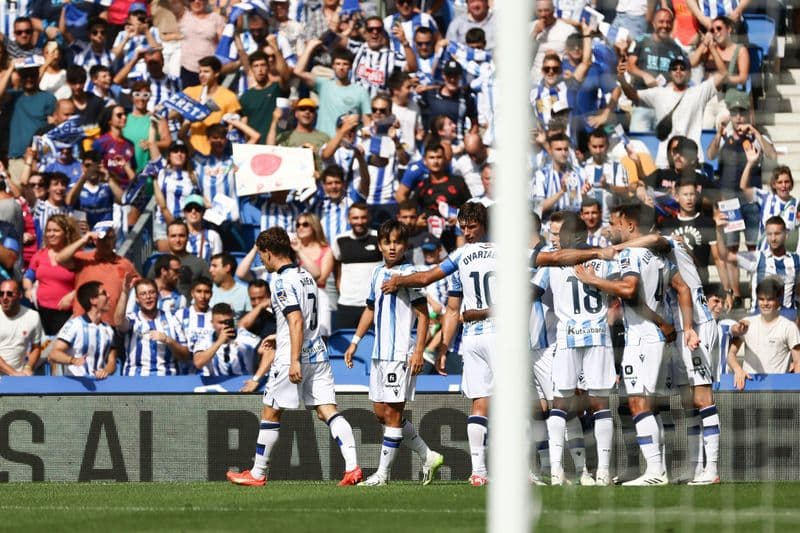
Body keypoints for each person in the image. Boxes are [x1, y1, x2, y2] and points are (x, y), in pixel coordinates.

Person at [574, 202, 699, 486]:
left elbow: (629, 290)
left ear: (630, 225)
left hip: (642, 337)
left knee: (637, 403)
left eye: (616, 223)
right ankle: (659, 468)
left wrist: (594, 280)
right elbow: (682, 287)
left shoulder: (630, 253)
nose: (612, 228)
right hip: (658, 338)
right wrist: (677, 324)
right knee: (651, 406)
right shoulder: (658, 255)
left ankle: (655, 471)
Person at [226, 227, 362, 487]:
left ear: (267, 253)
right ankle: (353, 467)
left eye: (261, 256)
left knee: (271, 412)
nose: (261, 262)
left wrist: (294, 358)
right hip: (318, 353)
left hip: (294, 356)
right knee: (327, 411)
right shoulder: (307, 275)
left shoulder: (280, 280)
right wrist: (281, 335)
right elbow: (303, 319)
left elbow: (296, 319)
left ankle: (257, 473)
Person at [381, 202, 494, 486]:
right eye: (463, 228)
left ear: (483, 225)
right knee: (493, 403)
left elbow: (430, 278)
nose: (467, 233)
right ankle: (486, 471)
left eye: (472, 227)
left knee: (482, 403)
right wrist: (443, 347)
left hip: (477, 336)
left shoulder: (459, 257)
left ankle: (481, 470)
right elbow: (452, 309)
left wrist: (400, 279)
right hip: (488, 336)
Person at [344, 219, 444, 486]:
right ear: (379, 245)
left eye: (397, 242)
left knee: (393, 414)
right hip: (379, 353)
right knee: (381, 413)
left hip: (400, 354)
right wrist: (354, 341)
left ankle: (382, 474)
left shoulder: (410, 274)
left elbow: (424, 316)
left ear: (405, 245)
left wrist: (418, 351)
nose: (392, 247)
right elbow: (369, 308)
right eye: (387, 242)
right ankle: (428, 455)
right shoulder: (377, 273)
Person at [533, 213, 617, 487]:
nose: (557, 239)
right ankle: (602, 471)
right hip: (597, 336)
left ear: (574, 237)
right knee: (600, 405)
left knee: (560, 405)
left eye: (562, 235)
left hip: (567, 337)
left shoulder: (554, 262)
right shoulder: (604, 260)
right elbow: (619, 291)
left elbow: (531, 291)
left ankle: (557, 470)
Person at [618, 55, 726, 169]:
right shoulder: (659, 93)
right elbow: (632, 95)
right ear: (670, 73)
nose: (678, 71)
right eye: (674, 68)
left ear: (689, 73)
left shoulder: (699, 92)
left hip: (692, 159)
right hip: (665, 161)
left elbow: (723, 73)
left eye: (682, 68)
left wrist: (711, 46)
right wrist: (622, 79)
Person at [715, 214, 800, 322]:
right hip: (760, 319)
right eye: (769, 234)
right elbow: (725, 256)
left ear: (786, 234)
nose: (773, 238)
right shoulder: (758, 257)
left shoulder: (796, 260)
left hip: (787, 320)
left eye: (777, 234)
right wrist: (718, 230)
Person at [57, 220, 139, 326]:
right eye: (102, 239)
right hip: (83, 325)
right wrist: (83, 240)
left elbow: (139, 287)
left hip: (111, 325)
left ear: (115, 239)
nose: (106, 242)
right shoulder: (84, 259)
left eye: (109, 238)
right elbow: (60, 259)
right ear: (95, 241)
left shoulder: (125, 264)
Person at [727, 278, 800, 390]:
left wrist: (795, 391)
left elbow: (798, 362)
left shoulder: (789, 327)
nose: (765, 303)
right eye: (761, 299)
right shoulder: (746, 324)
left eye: (769, 299)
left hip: (778, 391)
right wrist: (738, 369)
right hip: (749, 388)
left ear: (778, 299)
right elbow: (730, 355)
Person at [116, 276, 190, 376]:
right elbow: (118, 322)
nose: (148, 297)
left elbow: (185, 355)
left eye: (152, 292)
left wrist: (168, 340)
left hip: (167, 380)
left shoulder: (172, 319)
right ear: (137, 299)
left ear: (158, 295)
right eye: (143, 294)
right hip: (136, 379)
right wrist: (125, 292)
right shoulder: (133, 319)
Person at [294, 44, 373, 137]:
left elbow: (367, 123)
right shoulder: (323, 85)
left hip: (346, 144)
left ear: (351, 66)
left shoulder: (361, 92)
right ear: (333, 66)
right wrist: (310, 47)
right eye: (338, 64)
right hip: (323, 142)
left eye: (345, 64)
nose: (341, 68)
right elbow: (298, 71)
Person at [23, 215, 79, 336]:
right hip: (40, 310)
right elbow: (28, 275)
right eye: (48, 231)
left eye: (56, 230)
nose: (51, 234)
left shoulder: (77, 256)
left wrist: (72, 295)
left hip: (66, 313)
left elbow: (86, 282)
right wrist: (28, 289)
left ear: (66, 233)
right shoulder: (40, 254)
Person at [330, 203, 383, 329]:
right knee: (345, 345)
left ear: (369, 218)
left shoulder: (379, 237)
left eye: (363, 217)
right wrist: (339, 284)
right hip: (347, 304)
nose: (359, 222)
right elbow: (336, 265)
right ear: (349, 219)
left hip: (373, 304)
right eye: (355, 218)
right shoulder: (340, 240)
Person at [49, 281, 117, 379]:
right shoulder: (74, 325)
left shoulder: (108, 329)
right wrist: (73, 360)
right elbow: (54, 354)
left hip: (101, 387)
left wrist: (105, 371)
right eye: (104, 293)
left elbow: (112, 361)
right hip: (75, 386)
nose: (109, 296)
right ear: (93, 300)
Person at [182, 56, 240, 155]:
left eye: (206, 71)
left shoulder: (229, 97)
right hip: (192, 153)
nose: (202, 75)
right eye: (200, 72)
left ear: (216, 73)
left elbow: (232, 128)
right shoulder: (190, 92)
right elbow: (172, 114)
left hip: (216, 155)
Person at [149, 140, 200, 251]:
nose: (179, 154)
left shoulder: (193, 175)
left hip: (186, 225)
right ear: (169, 155)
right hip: (162, 222)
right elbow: (152, 144)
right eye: (175, 151)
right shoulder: (162, 171)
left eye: (182, 151)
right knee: (167, 260)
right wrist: (153, 125)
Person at [193, 302, 267, 377]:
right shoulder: (205, 339)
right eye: (221, 323)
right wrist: (219, 342)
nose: (225, 326)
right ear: (212, 323)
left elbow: (269, 351)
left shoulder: (245, 337)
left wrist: (257, 377)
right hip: (216, 383)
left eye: (228, 322)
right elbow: (198, 363)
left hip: (243, 383)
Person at [291, 213, 333, 335]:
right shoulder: (291, 251)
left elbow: (321, 278)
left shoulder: (326, 250)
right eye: (298, 225)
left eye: (305, 224)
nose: (300, 228)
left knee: (322, 336)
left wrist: (300, 251)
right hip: (296, 297)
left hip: (319, 296)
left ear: (314, 226)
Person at [531, 133, 588, 220]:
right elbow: (538, 208)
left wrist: (585, 196)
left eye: (566, 149)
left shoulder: (580, 173)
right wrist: (561, 192)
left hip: (573, 226)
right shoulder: (541, 175)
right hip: (550, 228)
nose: (563, 153)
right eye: (558, 149)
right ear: (550, 150)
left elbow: (585, 207)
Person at [151, 219, 212, 298]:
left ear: (187, 237)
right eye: (173, 236)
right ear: (168, 238)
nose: (177, 240)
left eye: (181, 235)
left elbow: (209, 289)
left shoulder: (200, 264)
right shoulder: (158, 263)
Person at [177, 0, 225, 87]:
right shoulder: (183, 15)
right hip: (188, 68)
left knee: (211, 99)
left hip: (210, 69)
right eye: (192, 0)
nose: (197, 2)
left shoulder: (216, 18)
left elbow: (222, 45)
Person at [0, 279, 42, 376]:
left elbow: (36, 348)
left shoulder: (33, 316)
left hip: (19, 376)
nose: (4, 297)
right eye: (1, 294)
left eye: (10, 294)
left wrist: (28, 367)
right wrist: (13, 373)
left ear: (20, 295)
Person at [174, 276, 214, 374]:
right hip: (185, 374)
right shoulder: (180, 315)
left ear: (211, 294)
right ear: (192, 293)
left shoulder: (216, 316)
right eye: (199, 291)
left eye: (207, 292)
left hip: (212, 374)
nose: (203, 296)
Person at [209, 252, 251, 319]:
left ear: (227, 268)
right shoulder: (207, 290)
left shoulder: (245, 292)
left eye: (214, 266)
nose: (210, 270)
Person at [181, 194, 222, 263]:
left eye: (197, 209)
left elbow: (217, 263)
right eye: (189, 209)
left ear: (203, 212)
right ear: (184, 213)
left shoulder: (213, 236)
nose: (193, 212)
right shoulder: (178, 235)